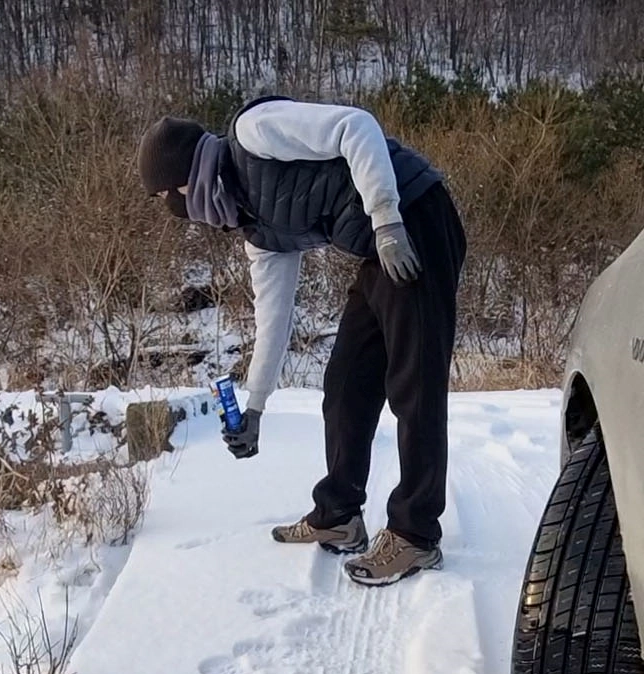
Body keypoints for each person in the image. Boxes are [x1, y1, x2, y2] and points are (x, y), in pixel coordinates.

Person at [138, 97, 467, 586]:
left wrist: (387, 218)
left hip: (414, 217)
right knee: (345, 386)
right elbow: (273, 318)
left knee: (413, 384)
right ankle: (339, 515)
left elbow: (355, 127)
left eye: (171, 192)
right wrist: (254, 407)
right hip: (379, 249)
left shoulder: (254, 132)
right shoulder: (255, 228)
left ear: (188, 176)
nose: (177, 206)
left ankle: (415, 536)